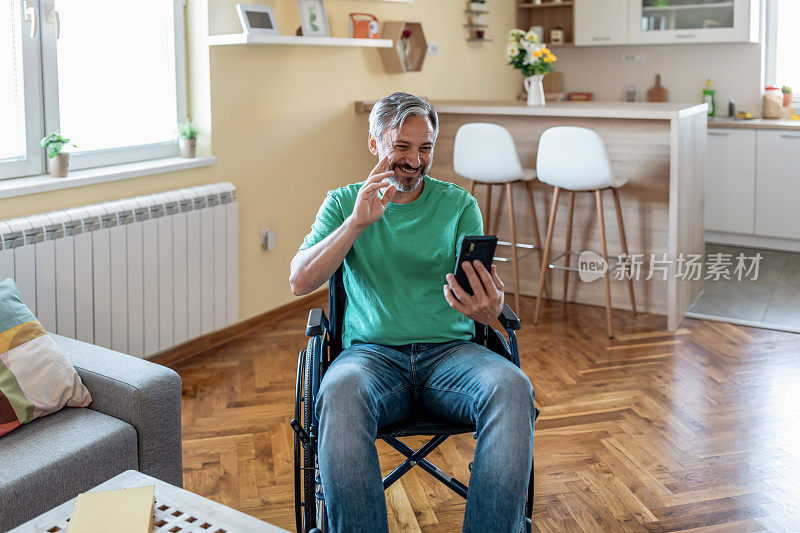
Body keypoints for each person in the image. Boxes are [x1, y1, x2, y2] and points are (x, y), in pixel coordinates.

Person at [289, 92, 536, 533]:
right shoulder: (344, 203)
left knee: (513, 388)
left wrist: (490, 308)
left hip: (451, 357)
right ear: (374, 144)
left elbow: (485, 305)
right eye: (401, 147)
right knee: (339, 393)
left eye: (425, 149)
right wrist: (357, 224)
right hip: (371, 358)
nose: (414, 160)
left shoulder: (457, 205)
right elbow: (299, 280)